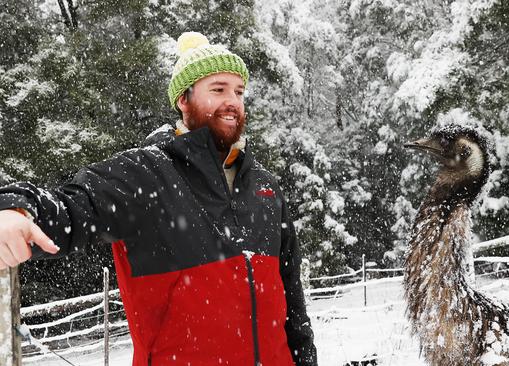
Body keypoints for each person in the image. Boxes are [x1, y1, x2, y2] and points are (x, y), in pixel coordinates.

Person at [0, 32, 317, 366]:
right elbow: (72, 206)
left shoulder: (264, 187)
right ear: (184, 99)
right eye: (218, 89)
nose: (233, 101)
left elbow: (293, 305)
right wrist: (17, 208)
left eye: (239, 91)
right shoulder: (145, 173)